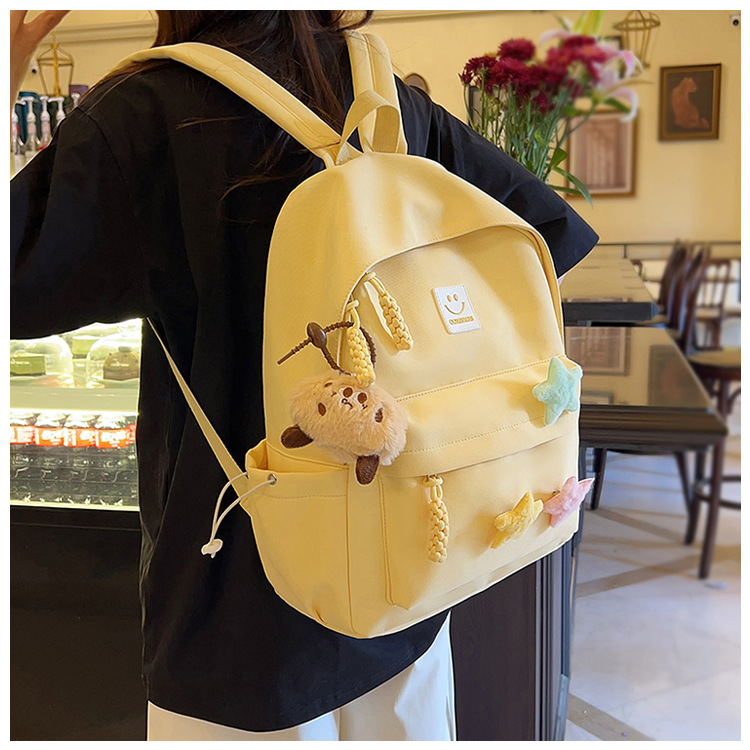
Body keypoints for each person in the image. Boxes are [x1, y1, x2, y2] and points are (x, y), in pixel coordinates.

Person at [10, 10, 598, 741]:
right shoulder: (383, 93)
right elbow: (546, 232)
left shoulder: (150, 111)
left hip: (237, 607)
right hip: (406, 566)